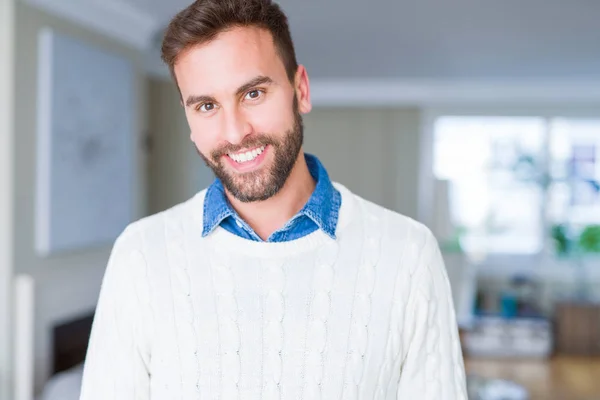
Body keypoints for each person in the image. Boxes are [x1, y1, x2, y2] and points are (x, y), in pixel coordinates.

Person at [79, 0, 467, 398]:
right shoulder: (140, 254)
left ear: (300, 91)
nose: (234, 132)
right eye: (207, 106)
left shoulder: (408, 254)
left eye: (253, 93)